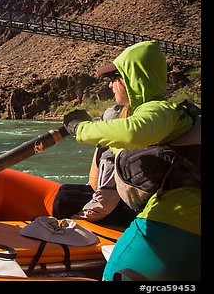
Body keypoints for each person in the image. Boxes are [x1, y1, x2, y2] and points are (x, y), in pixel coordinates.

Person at [62, 40, 200, 281]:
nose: (110, 84)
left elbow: (131, 133)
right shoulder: (158, 117)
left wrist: (79, 128)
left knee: (114, 275)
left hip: (173, 223)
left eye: (115, 77)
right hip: (185, 224)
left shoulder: (160, 110)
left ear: (130, 80)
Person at [52, 104, 137, 228]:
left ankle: (64, 236)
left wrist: (76, 219)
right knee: (65, 189)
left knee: (63, 200)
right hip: (112, 199)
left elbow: (105, 202)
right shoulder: (107, 148)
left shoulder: (112, 156)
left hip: (123, 210)